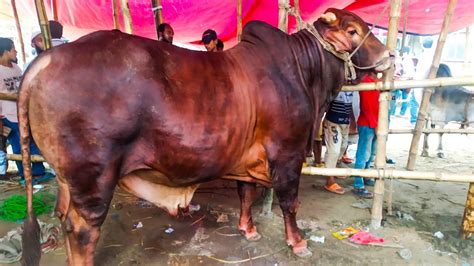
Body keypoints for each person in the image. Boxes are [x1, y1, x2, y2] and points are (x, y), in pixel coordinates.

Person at [0, 38, 50, 184]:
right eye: (13, 48)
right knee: (18, 144)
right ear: (5, 51)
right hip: (8, 114)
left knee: (31, 141)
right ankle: (25, 176)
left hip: (22, 111)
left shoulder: (16, 67)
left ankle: (39, 173)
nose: (15, 51)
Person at [352, 73, 380, 199]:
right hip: (368, 123)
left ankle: (365, 175)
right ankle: (358, 184)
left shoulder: (378, 81)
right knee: (364, 154)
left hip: (376, 123)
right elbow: (366, 106)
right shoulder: (366, 81)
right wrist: (375, 125)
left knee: (372, 153)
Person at [322, 91, 353, 195]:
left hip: (345, 121)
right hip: (333, 122)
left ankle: (332, 168)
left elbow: (350, 104)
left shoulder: (352, 83)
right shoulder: (335, 83)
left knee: (343, 146)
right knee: (334, 150)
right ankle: (329, 181)